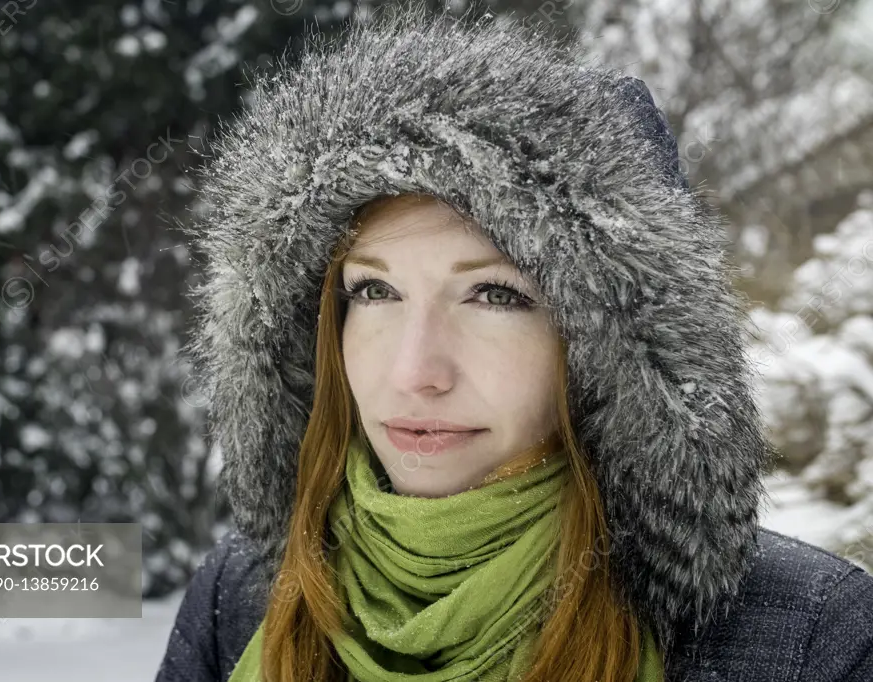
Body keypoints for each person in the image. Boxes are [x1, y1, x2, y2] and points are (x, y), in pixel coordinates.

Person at [155, 4, 873, 681]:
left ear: (611, 348)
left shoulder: (810, 639)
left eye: (496, 296)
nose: (415, 373)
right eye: (374, 291)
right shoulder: (244, 597)